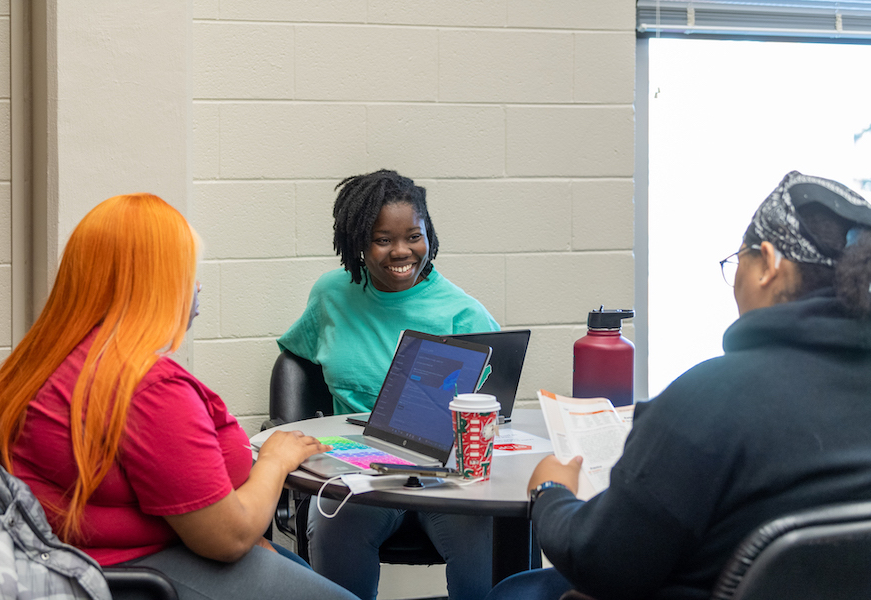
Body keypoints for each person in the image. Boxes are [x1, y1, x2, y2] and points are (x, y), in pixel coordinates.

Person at [486, 171, 871, 600]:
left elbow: (601, 561)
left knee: (513, 593)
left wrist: (550, 493)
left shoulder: (709, 400)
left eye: (739, 258)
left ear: (768, 264)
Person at [0, 193, 358, 600]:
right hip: (136, 573)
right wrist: (275, 461)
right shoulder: (145, 386)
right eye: (188, 274)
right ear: (157, 284)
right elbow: (227, 538)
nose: (198, 288)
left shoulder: (51, 354)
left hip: (81, 556)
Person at [278, 169, 500, 600]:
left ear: (428, 235)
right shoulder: (331, 296)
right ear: (358, 241)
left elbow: (492, 411)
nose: (402, 251)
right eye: (383, 239)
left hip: (445, 476)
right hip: (360, 472)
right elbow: (295, 365)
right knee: (333, 525)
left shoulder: (464, 314)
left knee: (490, 537)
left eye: (413, 236)